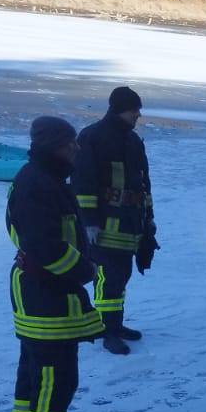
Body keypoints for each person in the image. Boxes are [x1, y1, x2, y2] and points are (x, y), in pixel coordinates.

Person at [7, 117, 105, 412]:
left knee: (34, 368)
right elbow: (45, 248)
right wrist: (86, 270)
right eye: (71, 143)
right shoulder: (38, 185)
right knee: (55, 374)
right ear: (55, 146)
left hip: (42, 289)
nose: (77, 148)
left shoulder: (43, 178)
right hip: (44, 292)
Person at [72, 86, 158, 355]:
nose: (138, 115)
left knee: (122, 276)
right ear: (121, 109)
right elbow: (82, 182)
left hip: (130, 223)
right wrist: (89, 223)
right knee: (109, 278)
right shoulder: (92, 137)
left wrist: (149, 220)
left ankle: (116, 325)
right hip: (105, 225)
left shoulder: (132, 141)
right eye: (135, 109)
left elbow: (144, 183)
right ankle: (106, 331)